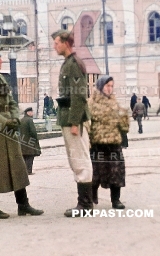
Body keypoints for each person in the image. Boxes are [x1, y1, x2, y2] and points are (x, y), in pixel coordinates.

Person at [0, 44, 43, 219]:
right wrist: (5, 122)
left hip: (8, 129)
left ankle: (23, 205)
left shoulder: (1, 80)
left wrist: (15, 119)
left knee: (17, 166)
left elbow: (11, 102)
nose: (1, 60)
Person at [51, 30, 93, 217]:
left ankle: (85, 205)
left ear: (66, 43)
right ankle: (84, 203)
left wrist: (75, 122)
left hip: (74, 119)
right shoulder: (68, 63)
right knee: (75, 159)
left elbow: (79, 95)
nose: (55, 46)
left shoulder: (74, 64)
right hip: (68, 117)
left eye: (57, 42)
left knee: (80, 159)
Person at [88, 75, 130, 210]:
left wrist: (125, 118)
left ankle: (116, 200)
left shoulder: (115, 103)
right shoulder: (91, 103)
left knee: (116, 172)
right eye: (107, 86)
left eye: (112, 86)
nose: (110, 89)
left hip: (114, 144)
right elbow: (87, 124)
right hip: (97, 144)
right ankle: (92, 194)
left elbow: (124, 126)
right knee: (96, 172)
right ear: (100, 86)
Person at [19, 107, 41, 175]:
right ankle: (29, 171)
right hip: (29, 141)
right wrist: (36, 138)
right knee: (30, 156)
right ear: (28, 113)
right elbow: (33, 131)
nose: (32, 113)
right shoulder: (29, 120)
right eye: (31, 112)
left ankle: (24, 170)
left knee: (24, 157)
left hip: (22, 141)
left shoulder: (21, 120)